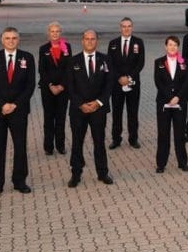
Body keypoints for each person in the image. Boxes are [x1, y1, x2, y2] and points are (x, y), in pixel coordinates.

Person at [0, 27, 35, 198]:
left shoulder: (27, 58)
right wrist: (3, 105)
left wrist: (14, 105)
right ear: (2, 40)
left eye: (14, 38)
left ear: (18, 40)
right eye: (7, 38)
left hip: (19, 111)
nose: (11, 41)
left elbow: (30, 86)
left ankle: (20, 181)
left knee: (20, 147)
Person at [65, 29, 113, 187]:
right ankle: (76, 174)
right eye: (87, 39)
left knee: (99, 141)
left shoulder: (105, 60)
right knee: (77, 142)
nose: (90, 41)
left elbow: (109, 85)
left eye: (93, 39)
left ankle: (103, 173)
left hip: (98, 109)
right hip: (78, 110)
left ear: (97, 41)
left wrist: (98, 102)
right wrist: (81, 104)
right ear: (82, 40)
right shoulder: (73, 61)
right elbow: (70, 86)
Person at [154, 36, 188, 173]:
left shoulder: (185, 62)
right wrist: (169, 97)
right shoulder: (158, 62)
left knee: (180, 134)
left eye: (175, 45)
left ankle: (182, 162)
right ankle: (161, 164)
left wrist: (178, 97)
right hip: (164, 103)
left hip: (179, 103)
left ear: (178, 47)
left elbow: (187, 82)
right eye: (170, 45)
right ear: (165, 46)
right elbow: (158, 82)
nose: (172, 47)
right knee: (163, 134)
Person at [107, 17, 145, 149]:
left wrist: (128, 78)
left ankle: (133, 139)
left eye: (129, 26)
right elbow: (110, 64)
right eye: (124, 26)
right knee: (117, 113)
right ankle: (116, 139)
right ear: (120, 28)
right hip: (117, 85)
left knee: (132, 113)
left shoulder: (138, 42)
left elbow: (140, 64)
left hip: (133, 84)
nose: (126, 28)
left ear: (132, 27)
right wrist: (119, 78)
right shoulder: (113, 43)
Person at [38, 21, 72, 155]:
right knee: (48, 117)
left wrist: (62, 86)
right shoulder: (43, 48)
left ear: (60, 33)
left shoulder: (67, 47)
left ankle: (60, 145)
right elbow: (42, 70)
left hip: (63, 89)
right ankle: (48, 147)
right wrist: (51, 85)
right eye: (52, 31)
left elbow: (69, 69)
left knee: (61, 117)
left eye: (57, 31)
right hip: (48, 89)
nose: (55, 34)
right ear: (48, 33)